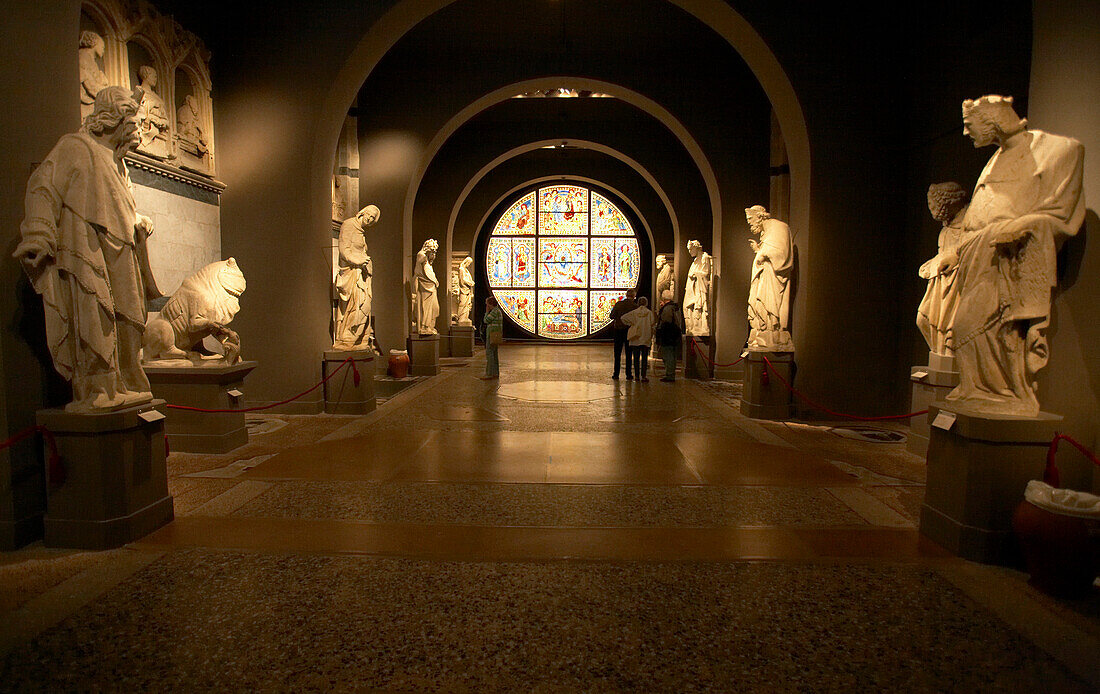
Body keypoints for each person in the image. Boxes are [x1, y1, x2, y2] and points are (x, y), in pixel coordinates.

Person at [15, 86, 161, 411]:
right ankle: (99, 390)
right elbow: (43, 185)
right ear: (113, 118)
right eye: (133, 119)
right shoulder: (76, 147)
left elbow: (109, 206)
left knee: (130, 319)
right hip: (88, 249)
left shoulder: (120, 166)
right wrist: (38, 232)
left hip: (122, 252)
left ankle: (125, 383)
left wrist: (136, 219)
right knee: (96, 318)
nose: (139, 127)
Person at [945, 95, 1084, 416]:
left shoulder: (1057, 150)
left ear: (990, 120)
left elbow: (1060, 214)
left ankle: (1008, 393)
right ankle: (977, 389)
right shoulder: (994, 159)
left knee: (987, 328)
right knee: (966, 327)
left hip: (1007, 258)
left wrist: (1022, 226)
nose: (966, 134)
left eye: (969, 125)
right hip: (976, 259)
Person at [915, 183, 969, 356]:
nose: (932, 210)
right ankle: (939, 355)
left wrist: (954, 257)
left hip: (958, 288)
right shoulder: (945, 230)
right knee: (922, 320)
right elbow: (943, 255)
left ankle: (946, 360)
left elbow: (972, 249)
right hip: (941, 286)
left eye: (934, 205)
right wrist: (932, 264)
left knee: (952, 332)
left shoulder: (971, 223)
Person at [745, 205, 795, 352]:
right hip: (764, 276)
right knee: (758, 305)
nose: (750, 224)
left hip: (772, 278)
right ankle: (763, 332)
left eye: (751, 220)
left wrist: (763, 253)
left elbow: (782, 253)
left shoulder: (779, 227)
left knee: (769, 305)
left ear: (760, 217)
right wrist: (759, 251)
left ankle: (772, 332)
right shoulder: (766, 233)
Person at [333, 205, 380, 350]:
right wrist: (357, 260)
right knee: (357, 305)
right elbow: (343, 250)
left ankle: (360, 338)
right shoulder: (348, 225)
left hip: (363, 274)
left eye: (373, 219)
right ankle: (348, 338)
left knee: (365, 304)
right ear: (363, 213)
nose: (370, 219)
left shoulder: (361, 232)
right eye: (370, 215)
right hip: (352, 273)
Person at [621, 296, 655, 382]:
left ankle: (636, 376)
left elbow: (623, 318)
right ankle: (643, 376)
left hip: (636, 338)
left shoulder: (634, 313)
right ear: (646, 303)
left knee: (636, 358)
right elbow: (652, 323)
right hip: (646, 337)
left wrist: (631, 324)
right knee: (644, 358)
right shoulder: (649, 313)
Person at [683, 240, 712, 336]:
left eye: (691, 249)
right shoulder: (695, 261)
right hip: (691, 288)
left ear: (696, 248)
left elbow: (706, 272)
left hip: (698, 287)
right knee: (686, 307)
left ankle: (699, 327)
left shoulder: (705, 257)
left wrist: (696, 274)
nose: (690, 252)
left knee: (698, 307)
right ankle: (691, 327)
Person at [608, 288, 637, 379]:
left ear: (626, 295)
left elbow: (611, 316)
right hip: (629, 331)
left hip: (618, 330)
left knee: (617, 353)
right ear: (634, 296)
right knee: (629, 353)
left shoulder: (619, 304)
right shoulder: (635, 306)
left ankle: (616, 374)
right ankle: (628, 374)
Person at [413, 239, 440, 335]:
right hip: (426, 287)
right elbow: (418, 272)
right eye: (432, 252)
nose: (433, 255)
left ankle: (429, 326)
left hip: (430, 287)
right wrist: (434, 281)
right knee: (426, 308)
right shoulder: (422, 256)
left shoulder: (427, 261)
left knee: (435, 308)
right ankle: (425, 326)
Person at [656, 295, 684, 382]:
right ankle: (670, 374)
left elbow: (666, 322)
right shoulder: (675, 308)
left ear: (664, 299)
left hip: (668, 335)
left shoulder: (667, 309)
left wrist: (659, 331)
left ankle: (670, 375)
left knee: (668, 356)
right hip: (675, 335)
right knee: (672, 355)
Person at [481, 296, 503, 379]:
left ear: (490, 304)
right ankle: (495, 372)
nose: (486, 305)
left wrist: (486, 312)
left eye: (487, 304)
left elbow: (486, 320)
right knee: (494, 354)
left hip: (491, 334)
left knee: (489, 353)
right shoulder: (498, 311)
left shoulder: (494, 311)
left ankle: (489, 373)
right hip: (496, 334)